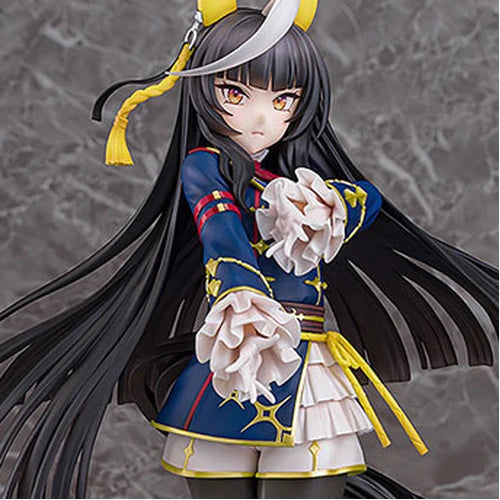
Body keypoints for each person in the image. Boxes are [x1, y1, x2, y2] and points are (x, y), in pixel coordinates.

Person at [0, 1, 496, 499]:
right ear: (205, 88)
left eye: (283, 100)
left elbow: (368, 199)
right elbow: (222, 234)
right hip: (239, 354)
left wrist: (330, 203)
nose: (260, 118)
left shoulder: (302, 178)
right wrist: (240, 292)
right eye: (235, 93)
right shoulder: (206, 167)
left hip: (306, 365)